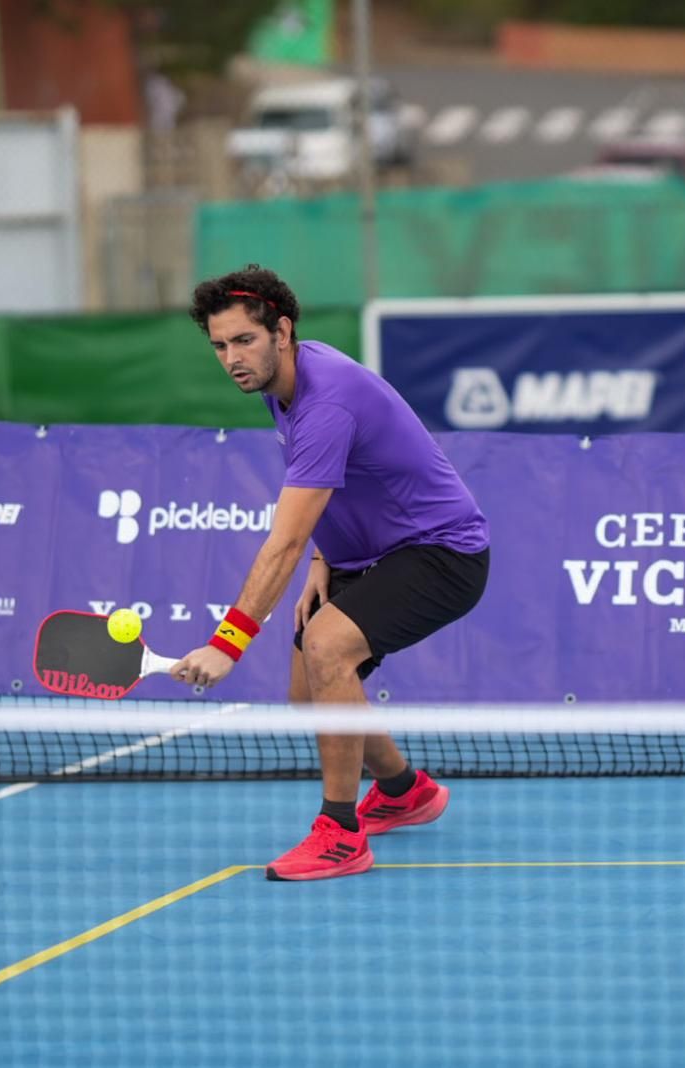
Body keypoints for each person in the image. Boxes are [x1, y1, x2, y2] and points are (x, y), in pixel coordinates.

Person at [171, 265, 491, 882]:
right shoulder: (281, 382)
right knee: (307, 693)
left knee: (327, 648)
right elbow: (331, 491)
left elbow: (284, 538)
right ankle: (403, 791)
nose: (232, 358)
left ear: (282, 331)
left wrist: (226, 642)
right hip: (369, 554)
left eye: (245, 341)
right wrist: (327, 557)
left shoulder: (326, 399)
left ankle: (341, 832)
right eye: (219, 345)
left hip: (442, 552)